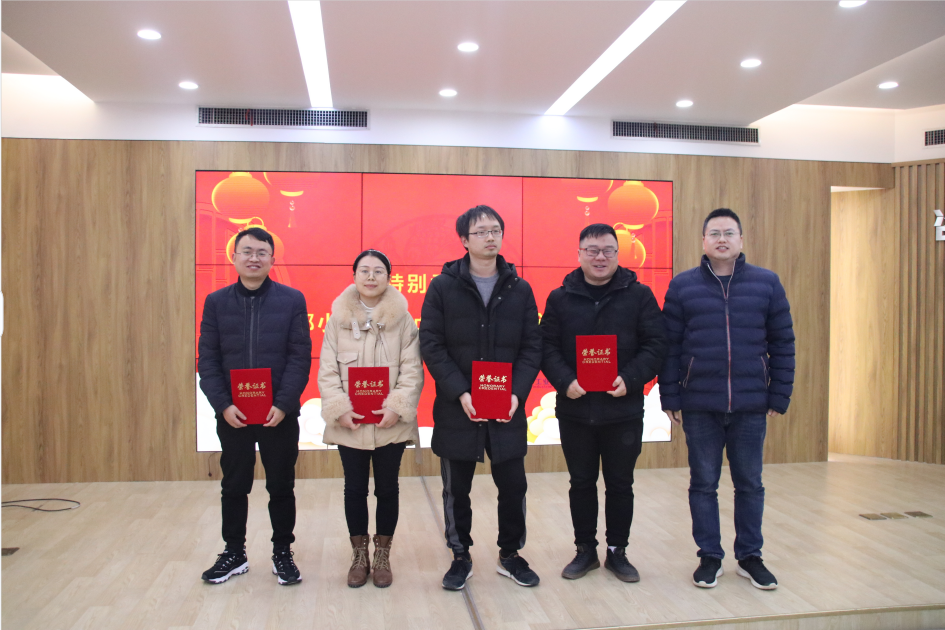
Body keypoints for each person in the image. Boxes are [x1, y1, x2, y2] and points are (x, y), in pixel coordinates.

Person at [659, 208, 794, 591]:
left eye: (729, 233)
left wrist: (779, 393)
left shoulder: (767, 283)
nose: (722, 239)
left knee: (750, 483)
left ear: (741, 240)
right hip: (699, 404)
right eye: (715, 233)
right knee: (703, 483)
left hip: (751, 404)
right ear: (703, 241)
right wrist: (670, 395)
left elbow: (783, 342)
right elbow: (669, 347)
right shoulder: (683, 286)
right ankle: (709, 556)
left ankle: (750, 556)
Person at [420, 205, 543, 591]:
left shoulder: (520, 289)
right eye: (481, 231)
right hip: (458, 408)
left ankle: (510, 554)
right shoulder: (442, 288)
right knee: (457, 489)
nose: (490, 237)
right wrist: (460, 391)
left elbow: (532, 347)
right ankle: (460, 555)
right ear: (464, 240)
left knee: (514, 486)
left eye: (496, 230)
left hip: (507, 408)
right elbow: (431, 344)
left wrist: (517, 393)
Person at [539, 223, 666, 583]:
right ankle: (585, 551)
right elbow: (546, 346)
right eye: (592, 250)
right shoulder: (560, 298)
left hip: (623, 411)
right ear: (579, 254)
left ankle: (617, 552)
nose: (600, 257)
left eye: (608, 250)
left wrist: (631, 378)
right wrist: (565, 381)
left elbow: (656, 343)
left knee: (620, 484)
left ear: (617, 254)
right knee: (581, 482)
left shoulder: (639, 295)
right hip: (576, 411)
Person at [197, 227, 312, 585]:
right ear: (234, 257)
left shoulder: (291, 300)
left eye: (262, 252)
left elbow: (300, 357)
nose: (254, 258)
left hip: (279, 414)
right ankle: (234, 552)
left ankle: (282, 552)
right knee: (234, 485)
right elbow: (207, 360)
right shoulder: (216, 302)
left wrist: (284, 403)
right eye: (246, 251)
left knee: (281, 485)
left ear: (272, 259)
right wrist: (223, 405)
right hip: (234, 414)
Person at [318, 250, 423, 588]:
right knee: (354, 488)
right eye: (364, 270)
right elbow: (327, 369)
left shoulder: (403, 321)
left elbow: (412, 369)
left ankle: (382, 555)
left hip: (390, 423)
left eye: (378, 271)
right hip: (350, 422)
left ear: (389, 278)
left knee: (388, 488)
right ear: (354, 276)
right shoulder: (337, 320)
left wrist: (397, 406)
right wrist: (339, 407)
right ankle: (359, 555)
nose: (371, 277)